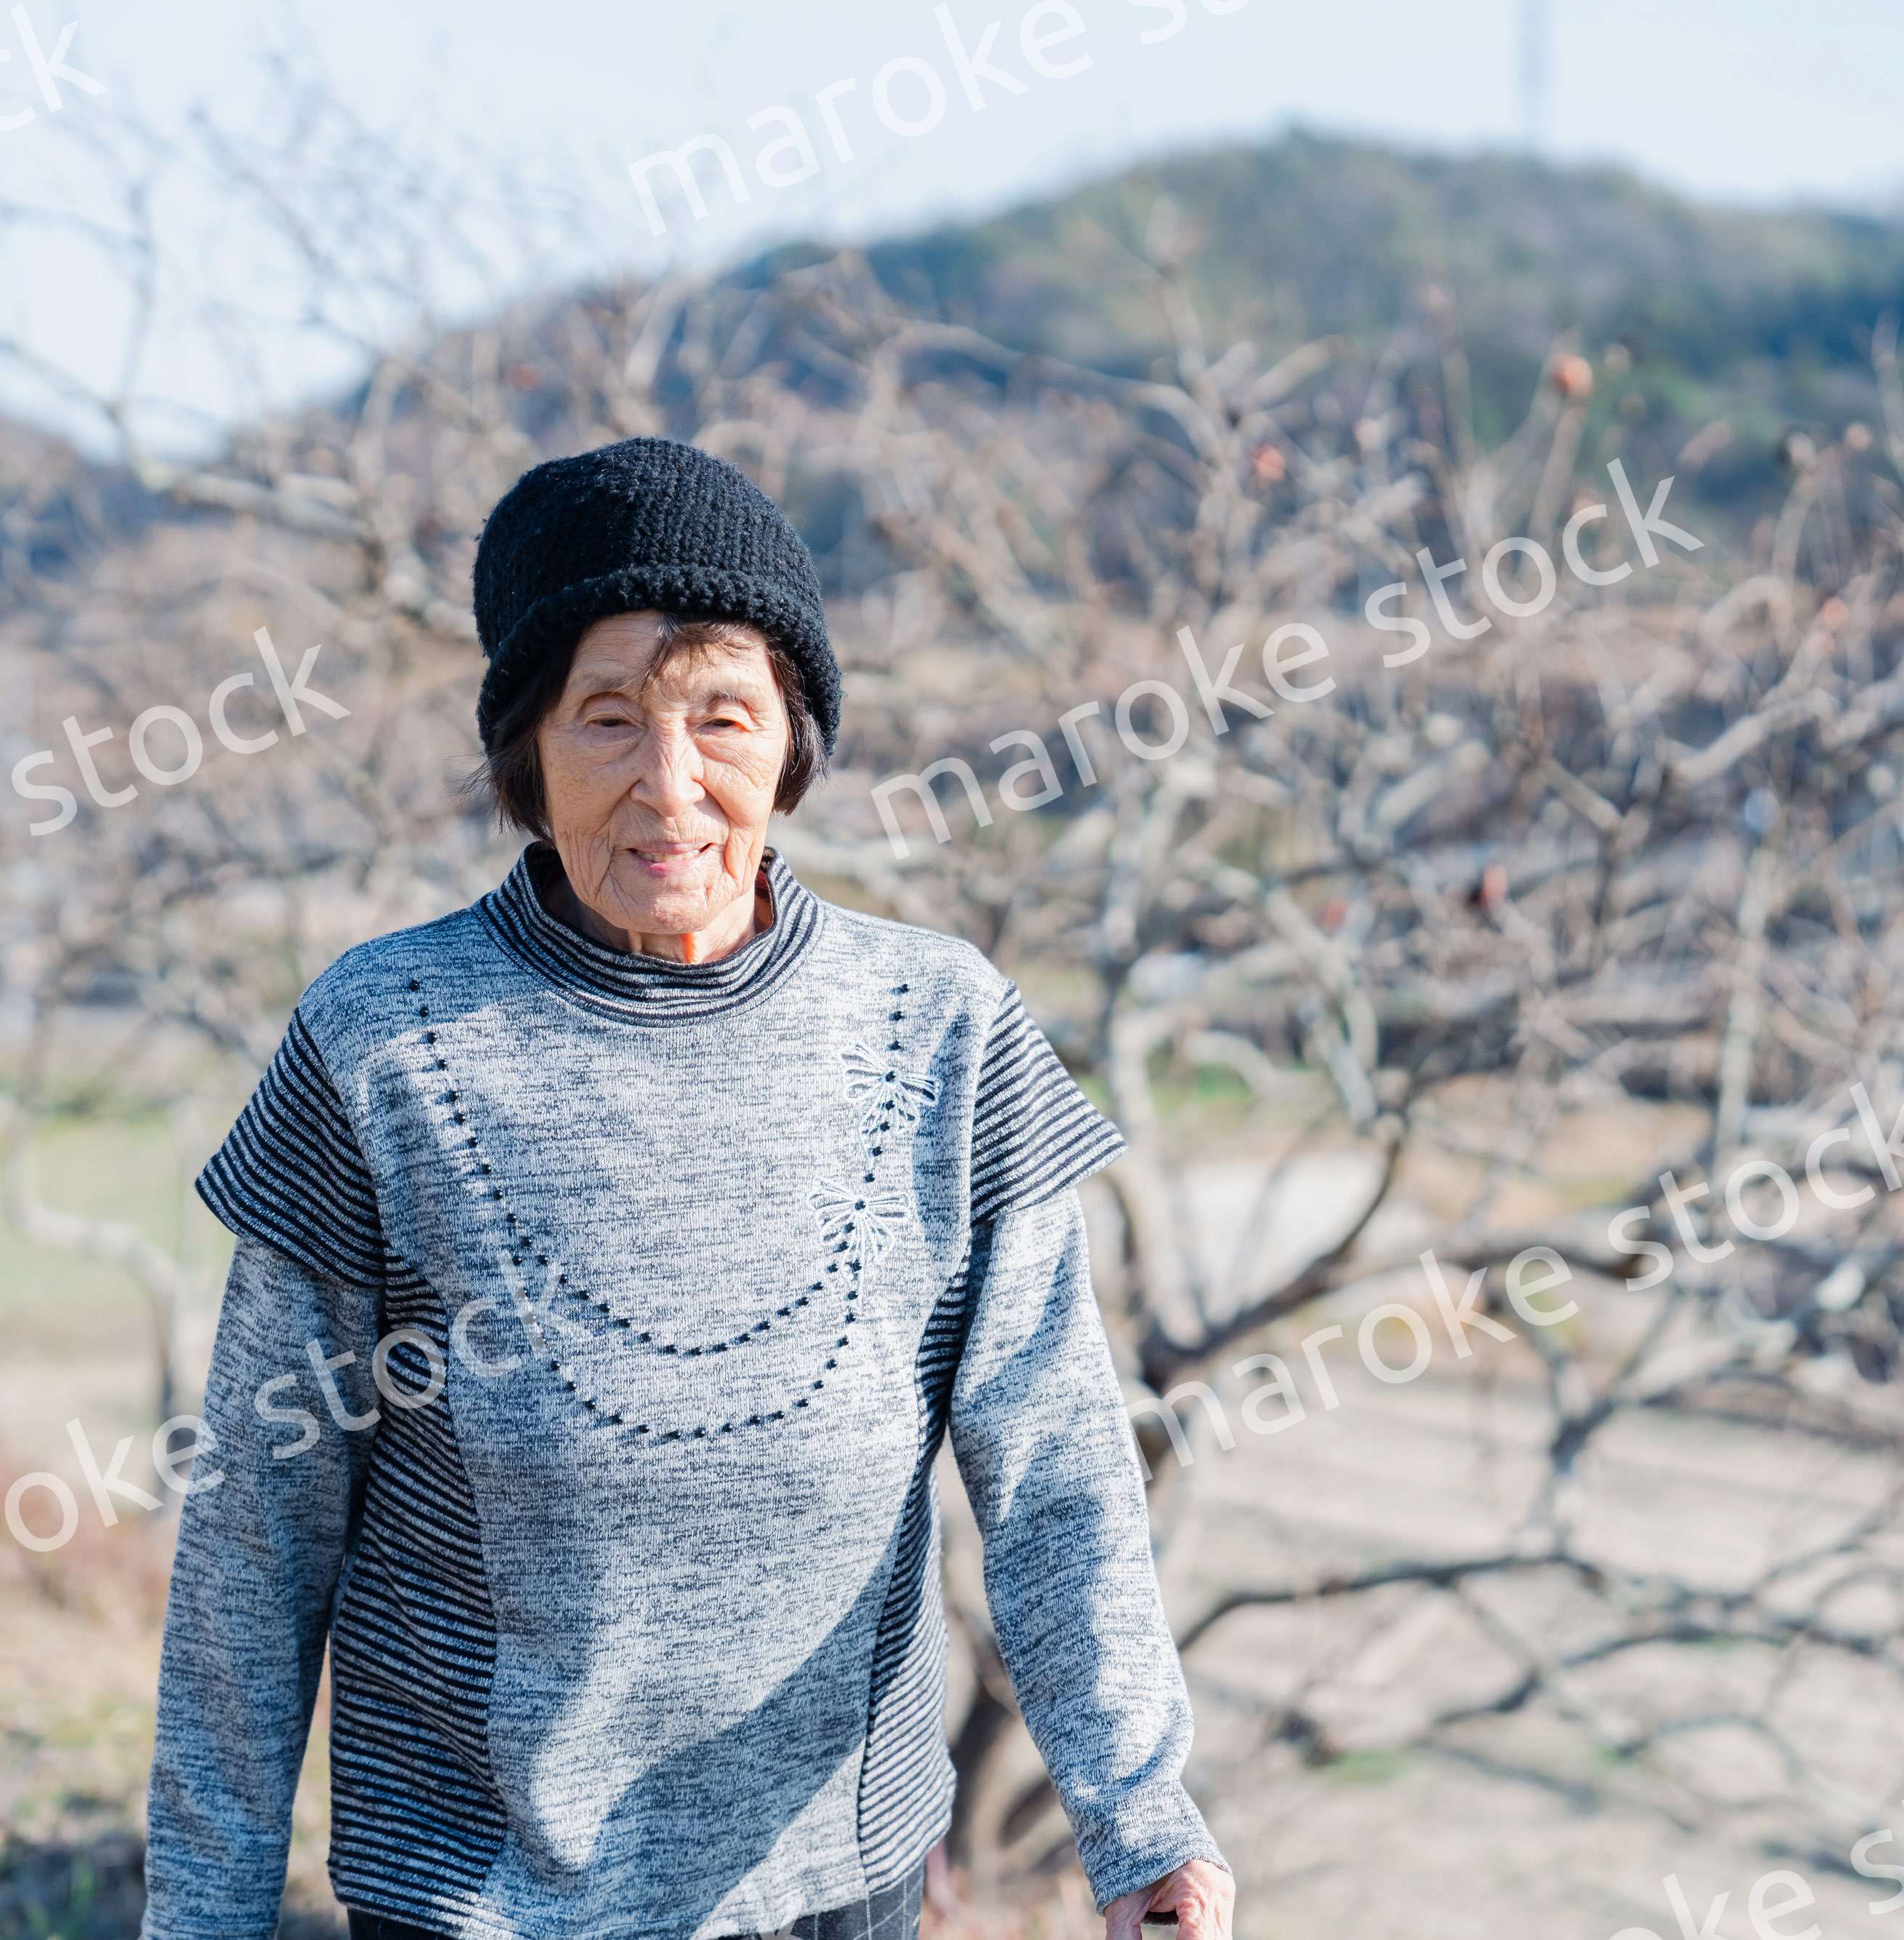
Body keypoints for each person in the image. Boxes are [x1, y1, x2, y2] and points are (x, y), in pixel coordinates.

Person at [143, 437, 1234, 1940]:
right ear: (528, 754)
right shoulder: (379, 1040)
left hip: (832, 1882)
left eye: (723, 715)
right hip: (474, 1894)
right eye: (607, 717)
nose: (671, 786)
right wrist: (203, 1916)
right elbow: (257, 1538)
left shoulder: (943, 1031)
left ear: (792, 742)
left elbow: (1055, 1472)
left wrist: (1140, 1820)